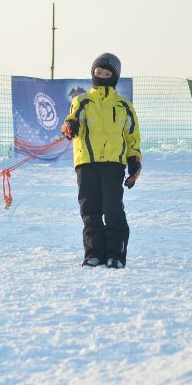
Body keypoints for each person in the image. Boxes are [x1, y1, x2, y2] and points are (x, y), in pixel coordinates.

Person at [61, 53, 141, 268]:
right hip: (86, 162)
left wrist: (134, 161)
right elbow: (71, 121)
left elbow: (132, 137)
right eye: (99, 72)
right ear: (93, 73)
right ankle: (93, 253)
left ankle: (116, 254)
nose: (103, 76)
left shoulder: (124, 106)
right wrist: (71, 127)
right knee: (90, 210)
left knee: (113, 209)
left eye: (107, 73)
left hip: (113, 164)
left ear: (115, 77)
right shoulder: (82, 101)